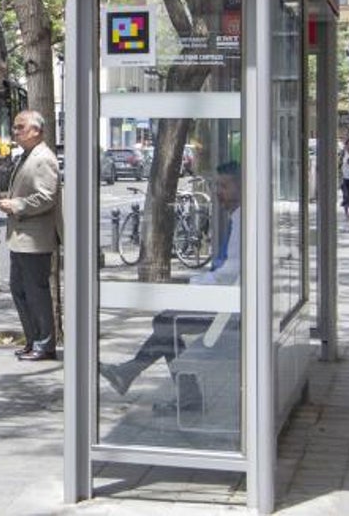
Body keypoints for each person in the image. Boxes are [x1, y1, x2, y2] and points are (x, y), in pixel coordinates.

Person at [99, 161, 242, 414]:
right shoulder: (238, 217)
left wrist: (190, 285)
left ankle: (142, 377)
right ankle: (135, 375)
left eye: (225, 186)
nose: (218, 192)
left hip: (230, 307)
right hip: (225, 298)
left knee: (166, 323)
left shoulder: (243, 221)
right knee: (166, 323)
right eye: (216, 186)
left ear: (242, 188)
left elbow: (229, 273)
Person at [0, 110, 61, 362]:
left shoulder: (43, 158)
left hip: (34, 239)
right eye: (14, 127)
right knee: (20, 290)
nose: (15, 131)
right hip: (21, 238)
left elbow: (47, 197)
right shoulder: (28, 156)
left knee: (36, 291)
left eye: (20, 127)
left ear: (36, 130)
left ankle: (45, 344)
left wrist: (16, 205)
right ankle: (34, 339)